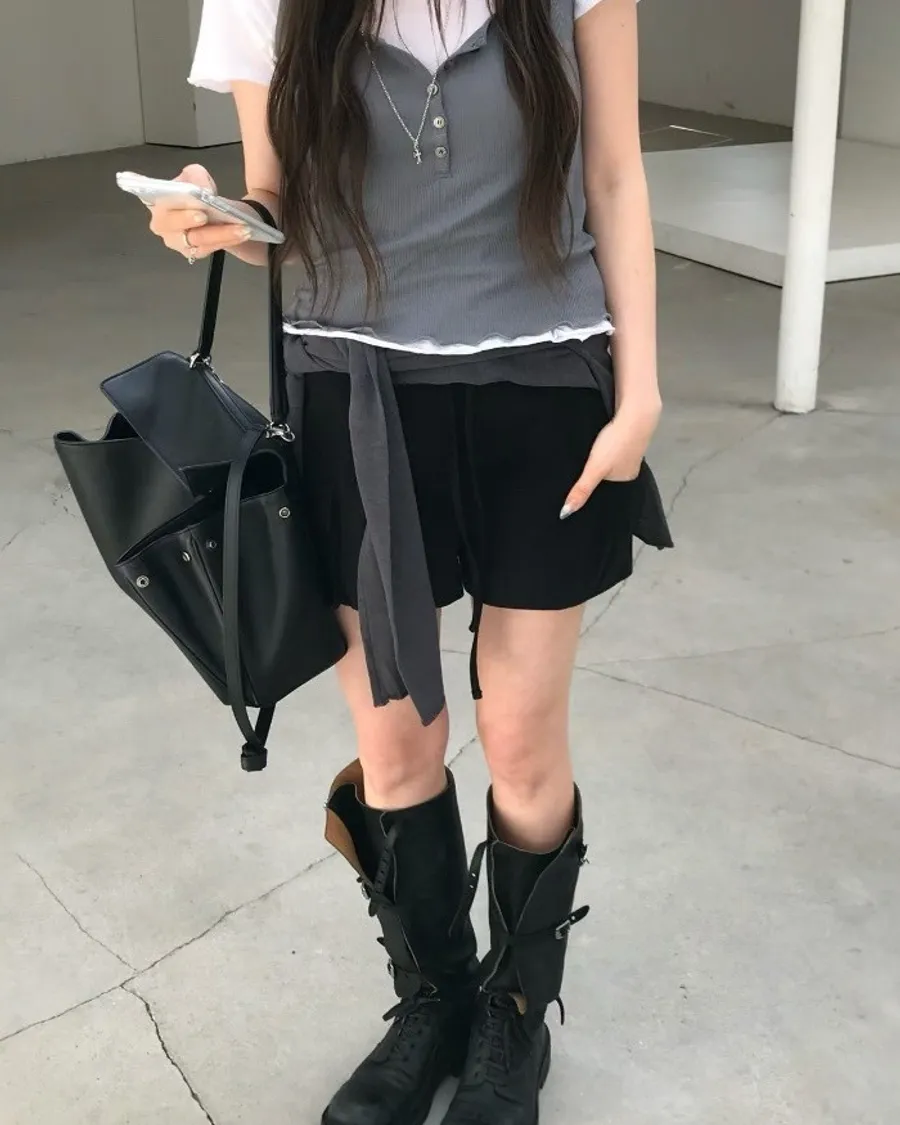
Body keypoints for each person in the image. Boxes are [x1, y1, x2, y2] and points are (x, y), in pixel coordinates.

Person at [148, 1, 672, 1122]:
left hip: (542, 384)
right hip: (355, 392)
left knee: (521, 733)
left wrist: (639, 391)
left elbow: (614, 173)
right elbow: (277, 202)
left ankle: (514, 1013)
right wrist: (214, 218)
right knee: (394, 741)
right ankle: (434, 996)